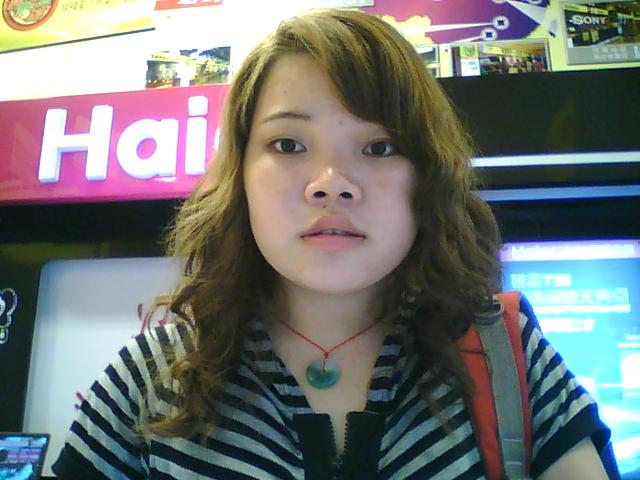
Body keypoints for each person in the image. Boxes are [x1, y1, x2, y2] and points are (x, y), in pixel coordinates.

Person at [52, 8, 616, 480]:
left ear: (427, 175)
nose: (331, 183)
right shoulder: (153, 376)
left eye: (379, 147)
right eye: (288, 144)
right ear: (240, 174)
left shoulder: (504, 355)